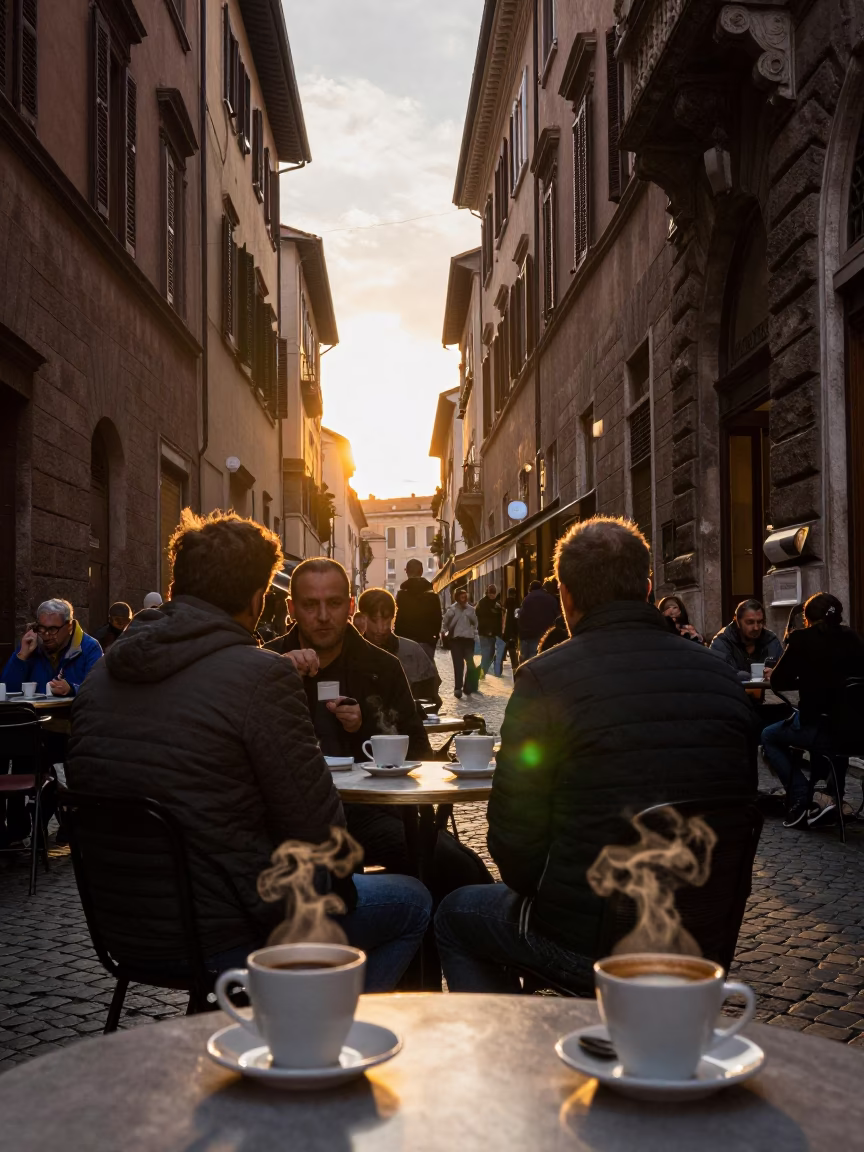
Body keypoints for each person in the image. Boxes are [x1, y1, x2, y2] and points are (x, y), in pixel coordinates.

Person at [67, 512, 430, 991]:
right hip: (228, 931)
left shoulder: (98, 676)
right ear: (261, 600)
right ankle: (314, 1035)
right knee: (414, 901)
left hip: (122, 929)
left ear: (175, 589)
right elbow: (322, 836)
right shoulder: (261, 675)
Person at [435, 516, 756, 994]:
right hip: (702, 937)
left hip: (588, 943)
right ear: (648, 587)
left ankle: (513, 1052)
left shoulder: (545, 680)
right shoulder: (724, 675)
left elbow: (514, 845)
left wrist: (551, 895)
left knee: (455, 916)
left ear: (565, 595)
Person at [266, 558, 431, 874]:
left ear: (351, 604)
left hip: (370, 813)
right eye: (311, 605)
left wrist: (365, 724)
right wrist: (277, 677)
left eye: (335, 603)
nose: (324, 616)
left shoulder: (382, 668)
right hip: (284, 820)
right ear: (291, 608)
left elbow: (419, 752)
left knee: (449, 864)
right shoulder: (268, 663)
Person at [762, 593, 864, 830]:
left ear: (807, 618)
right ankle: (832, 798)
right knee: (834, 731)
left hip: (822, 729)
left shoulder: (803, 639)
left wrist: (803, 678)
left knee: (769, 735)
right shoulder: (853, 638)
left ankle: (801, 794)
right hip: (855, 732)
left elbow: (778, 681)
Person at [355, 587, 442, 708]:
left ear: (393, 616)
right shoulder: (351, 653)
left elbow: (430, 699)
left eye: (386, 619)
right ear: (363, 617)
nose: (381, 628)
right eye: (374, 620)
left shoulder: (413, 651)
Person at [2, 599, 103, 697]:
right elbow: (6, 691)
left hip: (70, 713)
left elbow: (99, 690)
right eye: (42, 628)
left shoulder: (90, 647)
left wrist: (72, 689)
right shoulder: (30, 643)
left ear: (70, 626)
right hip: (34, 712)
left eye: (53, 629)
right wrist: (21, 656)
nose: (46, 635)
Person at [710, 599, 783, 675]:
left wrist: (776, 675)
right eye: (750, 622)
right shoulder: (722, 642)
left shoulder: (771, 641)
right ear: (737, 621)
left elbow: (788, 672)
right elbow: (717, 675)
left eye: (759, 622)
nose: (756, 627)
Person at [394, 559, 442, 662]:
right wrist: (434, 638)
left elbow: (399, 619)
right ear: (421, 571)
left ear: (407, 571)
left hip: (405, 641)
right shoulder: (432, 596)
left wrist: (398, 637)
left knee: (408, 674)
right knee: (427, 674)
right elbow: (437, 620)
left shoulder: (401, 595)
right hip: (426, 641)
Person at [441, 588, 478, 699]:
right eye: (462, 597)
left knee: (471, 665)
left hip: (468, 640)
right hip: (456, 641)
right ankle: (458, 688)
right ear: (457, 598)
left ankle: (468, 686)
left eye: (465, 596)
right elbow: (445, 623)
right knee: (458, 665)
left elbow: (476, 624)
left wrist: (475, 636)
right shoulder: (452, 610)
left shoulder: (471, 610)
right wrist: (444, 632)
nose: (464, 598)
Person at [517, 579, 560, 663]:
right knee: (538, 659)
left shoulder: (527, 599)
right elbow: (556, 615)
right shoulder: (550, 598)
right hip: (544, 634)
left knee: (526, 661)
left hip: (528, 634)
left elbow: (521, 617)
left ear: (530, 589)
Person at [476, 584, 505, 677]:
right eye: (490, 593)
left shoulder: (497, 603)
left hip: (494, 633)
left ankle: (482, 670)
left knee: (491, 654)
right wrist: (487, 629)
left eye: (494, 594)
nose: (492, 595)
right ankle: (482, 673)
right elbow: (481, 617)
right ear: (487, 593)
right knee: (485, 653)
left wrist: (500, 632)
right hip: (484, 633)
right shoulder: (482, 603)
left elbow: (500, 618)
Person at [502, 588, 520, 670]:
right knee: (512, 644)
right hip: (513, 626)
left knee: (505, 642)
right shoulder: (517, 603)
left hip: (506, 626)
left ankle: (502, 658)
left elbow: (504, 614)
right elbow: (517, 615)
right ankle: (514, 663)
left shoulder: (506, 602)